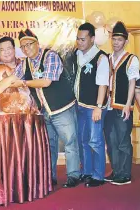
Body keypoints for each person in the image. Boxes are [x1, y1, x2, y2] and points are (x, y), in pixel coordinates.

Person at [0, 29, 81, 188]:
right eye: (23, 46)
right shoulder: (25, 63)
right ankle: (51, 177)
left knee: (69, 142)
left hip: (62, 108)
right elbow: (7, 82)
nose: (26, 48)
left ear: (37, 43)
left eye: (29, 44)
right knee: (50, 145)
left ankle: (74, 175)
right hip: (45, 111)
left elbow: (47, 81)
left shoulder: (50, 56)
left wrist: (24, 83)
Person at [103, 21, 139, 185]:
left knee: (123, 140)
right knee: (111, 141)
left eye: (119, 40)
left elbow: (133, 83)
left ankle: (125, 174)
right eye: (114, 39)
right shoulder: (108, 58)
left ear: (125, 41)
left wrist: (127, 105)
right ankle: (116, 171)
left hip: (122, 106)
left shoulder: (132, 59)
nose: (116, 42)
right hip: (108, 107)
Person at [74, 23, 110, 187]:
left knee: (95, 141)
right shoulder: (77, 54)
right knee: (83, 140)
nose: (79, 42)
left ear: (92, 39)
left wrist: (98, 106)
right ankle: (86, 172)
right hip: (79, 105)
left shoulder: (101, 58)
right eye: (78, 39)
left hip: (93, 107)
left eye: (82, 39)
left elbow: (103, 84)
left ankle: (98, 176)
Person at [0, 36, 38, 114]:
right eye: (2, 50)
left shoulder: (27, 64)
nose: (6, 52)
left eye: (9, 48)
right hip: (6, 117)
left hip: (31, 115)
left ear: (14, 49)